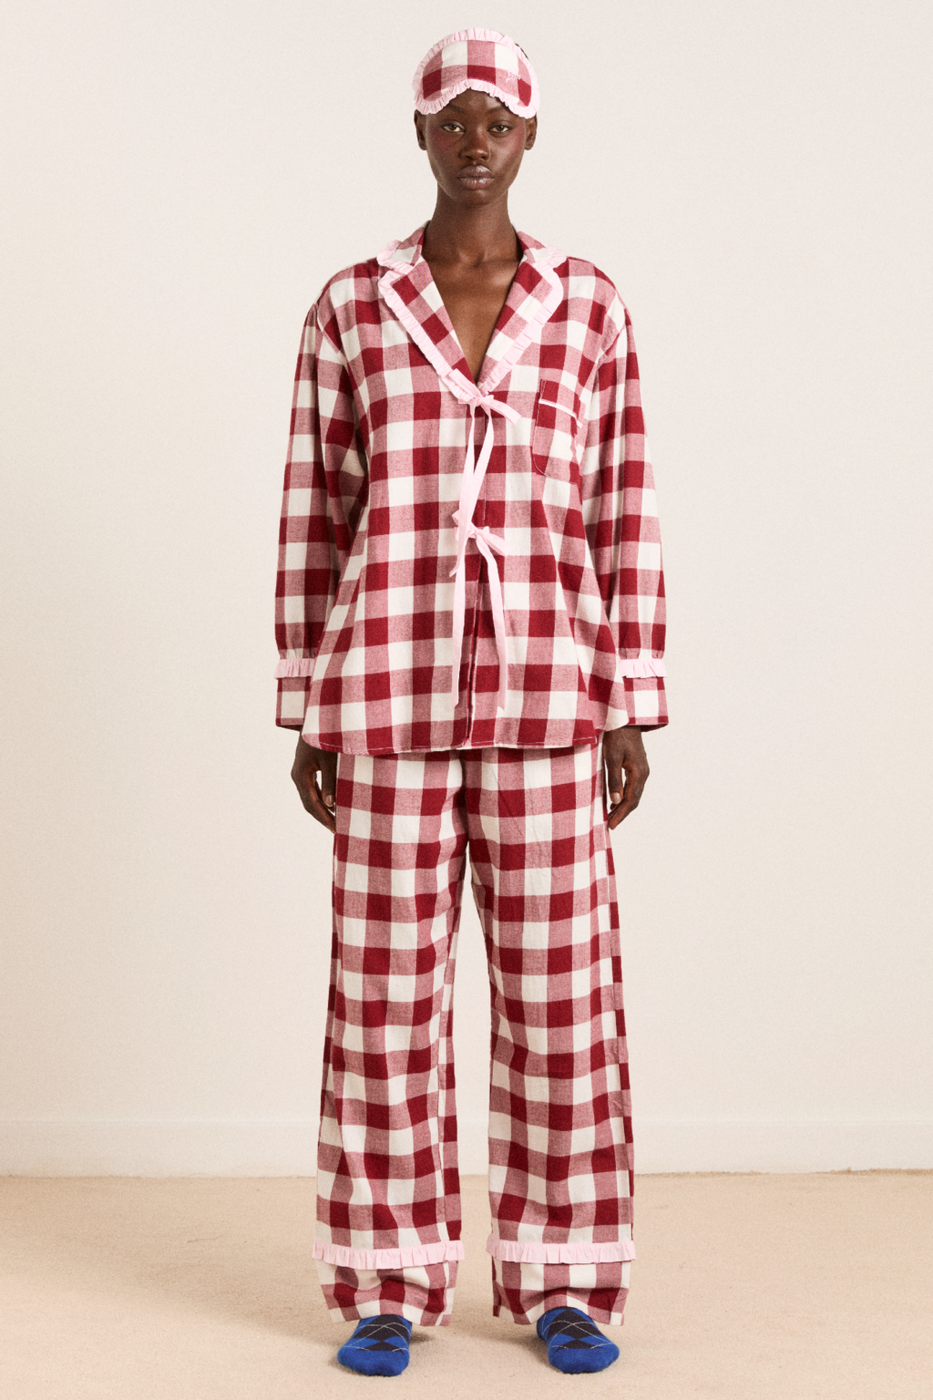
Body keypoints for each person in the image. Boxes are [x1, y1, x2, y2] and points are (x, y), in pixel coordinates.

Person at [274, 28, 667, 1377]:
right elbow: (317, 512)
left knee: (561, 1007)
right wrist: (307, 702)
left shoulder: (590, 307)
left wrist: (631, 698)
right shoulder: (353, 306)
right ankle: (386, 1280)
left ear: (532, 134)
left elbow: (622, 505)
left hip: (554, 694)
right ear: (420, 133)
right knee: (383, 1006)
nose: (476, 140)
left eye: (498, 119)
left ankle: (568, 1279)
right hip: (384, 696)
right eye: (453, 117)